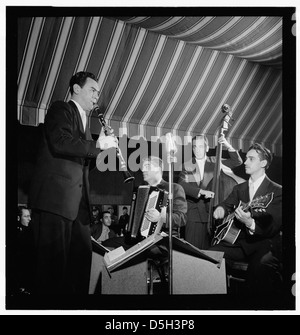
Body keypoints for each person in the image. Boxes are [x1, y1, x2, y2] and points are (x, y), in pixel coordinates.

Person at [28, 71, 118, 295]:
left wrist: (106, 153)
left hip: (77, 208)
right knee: (51, 273)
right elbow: (60, 142)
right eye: (92, 90)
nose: (97, 97)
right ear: (76, 89)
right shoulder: (61, 109)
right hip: (55, 201)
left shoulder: (86, 123)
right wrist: (98, 145)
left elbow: (84, 164)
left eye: (98, 93)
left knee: (79, 270)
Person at [209, 143, 282, 297]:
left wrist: (250, 222)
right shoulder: (239, 188)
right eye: (246, 158)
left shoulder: (277, 191)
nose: (246, 162)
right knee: (208, 256)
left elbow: (273, 225)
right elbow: (226, 204)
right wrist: (220, 210)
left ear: (263, 163)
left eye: (251, 159)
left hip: (264, 244)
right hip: (240, 243)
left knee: (259, 269)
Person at [178, 134, 243, 250]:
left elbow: (237, 161)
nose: (197, 150)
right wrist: (200, 191)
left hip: (213, 215)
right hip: (194, 215)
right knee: (192, 252)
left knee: (210, 254)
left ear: (207, 148)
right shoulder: (187, 165)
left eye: (201, 146)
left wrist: (227, 145)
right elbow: (182, 184)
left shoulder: (216, 161)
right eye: (194, 147)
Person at [7, 206, 35, 296]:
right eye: (26, 216)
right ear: (18, 218)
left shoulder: (30, 231)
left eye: (29, 216)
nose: (29, 219)